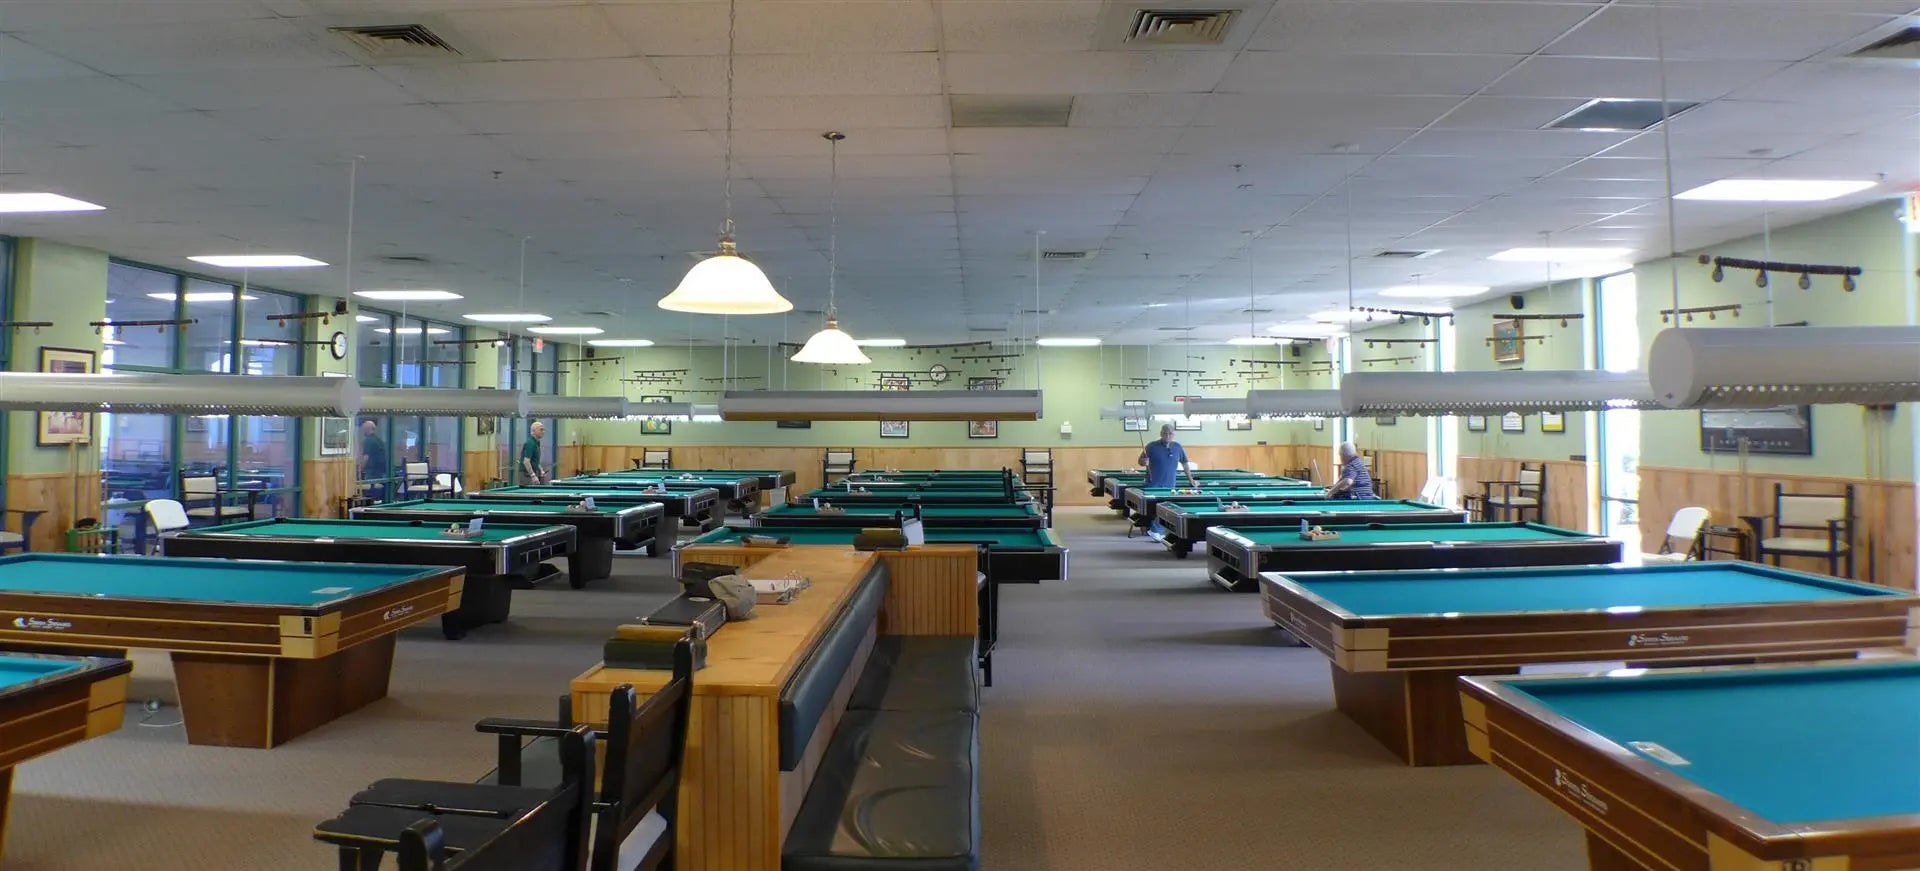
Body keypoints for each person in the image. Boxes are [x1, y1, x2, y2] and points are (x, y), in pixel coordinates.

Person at [1138, 424, 1198, 534]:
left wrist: (1191, 479)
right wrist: (1144, 462)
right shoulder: (1151, 446)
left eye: (1170, 433)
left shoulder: (1177, 447)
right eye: (1165, 433)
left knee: (1165, 509)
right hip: (1152, 484)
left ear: (1174, 434)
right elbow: (1140, 461)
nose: (1168, 435)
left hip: (1170, 485)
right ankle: (1149, 528)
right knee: (1151, 508)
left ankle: (1156, 530)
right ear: (1161, 433)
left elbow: (1185, 464)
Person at [359, 419, 389, 499]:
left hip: (372, 472)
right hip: (382, 471)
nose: (363, 431)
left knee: (370, 494)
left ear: (367, 429)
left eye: (364, 429)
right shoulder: (379, 440)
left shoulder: (368, 440)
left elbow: (366, 457)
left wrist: (360, 469)